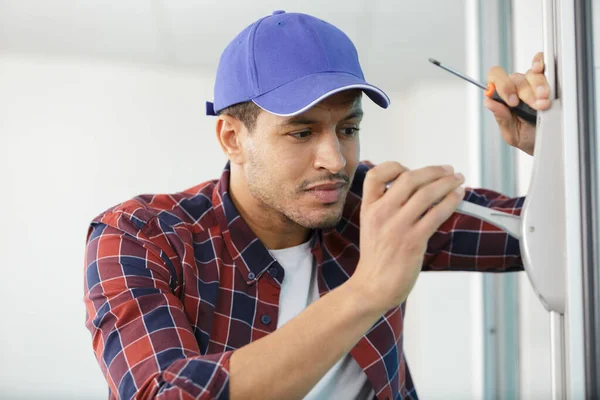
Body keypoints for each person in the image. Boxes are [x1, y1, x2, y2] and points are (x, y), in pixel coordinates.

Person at [83, 10, 551, 400]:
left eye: (347, 129)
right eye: (302, 132)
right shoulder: (139, 236)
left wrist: (549, 144)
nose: (335, 160)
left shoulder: (372, 202)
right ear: (232, 138)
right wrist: (368, 292)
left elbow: (554, 240)